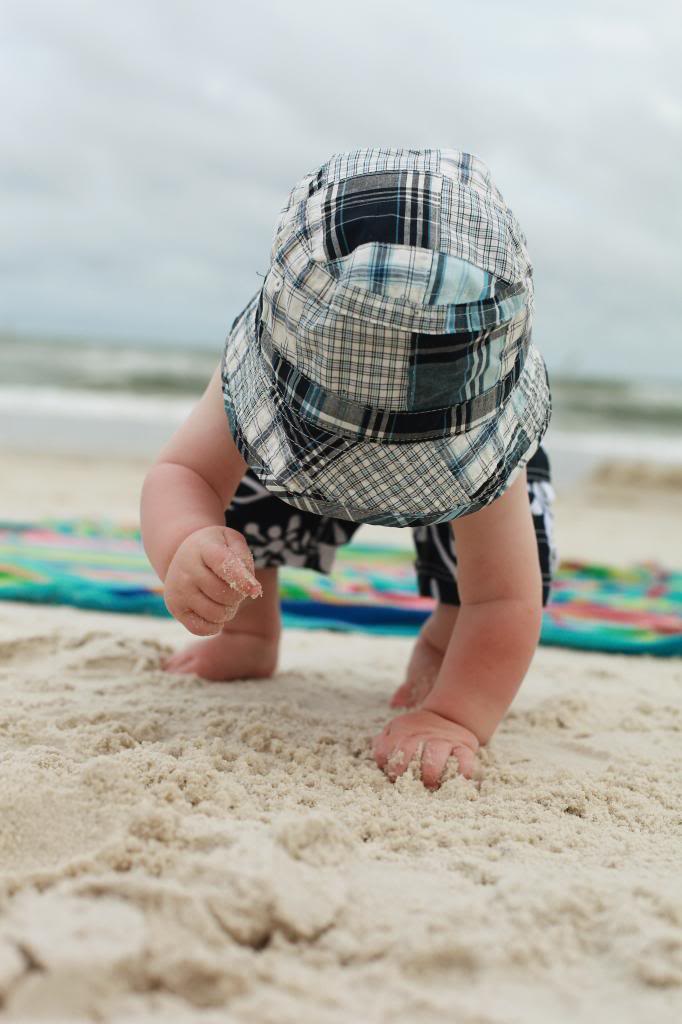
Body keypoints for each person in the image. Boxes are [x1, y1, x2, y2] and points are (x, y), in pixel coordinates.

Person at [140, 147, 558, 790]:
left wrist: (455, 717)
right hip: (303, 427)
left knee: (488, 576)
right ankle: (249, 631)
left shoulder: (484, 446)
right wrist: (187, 543)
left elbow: (505, 599)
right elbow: (182, 475)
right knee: (244, 496)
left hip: (450, 430)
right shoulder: (275, 378)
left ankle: (444, 653)